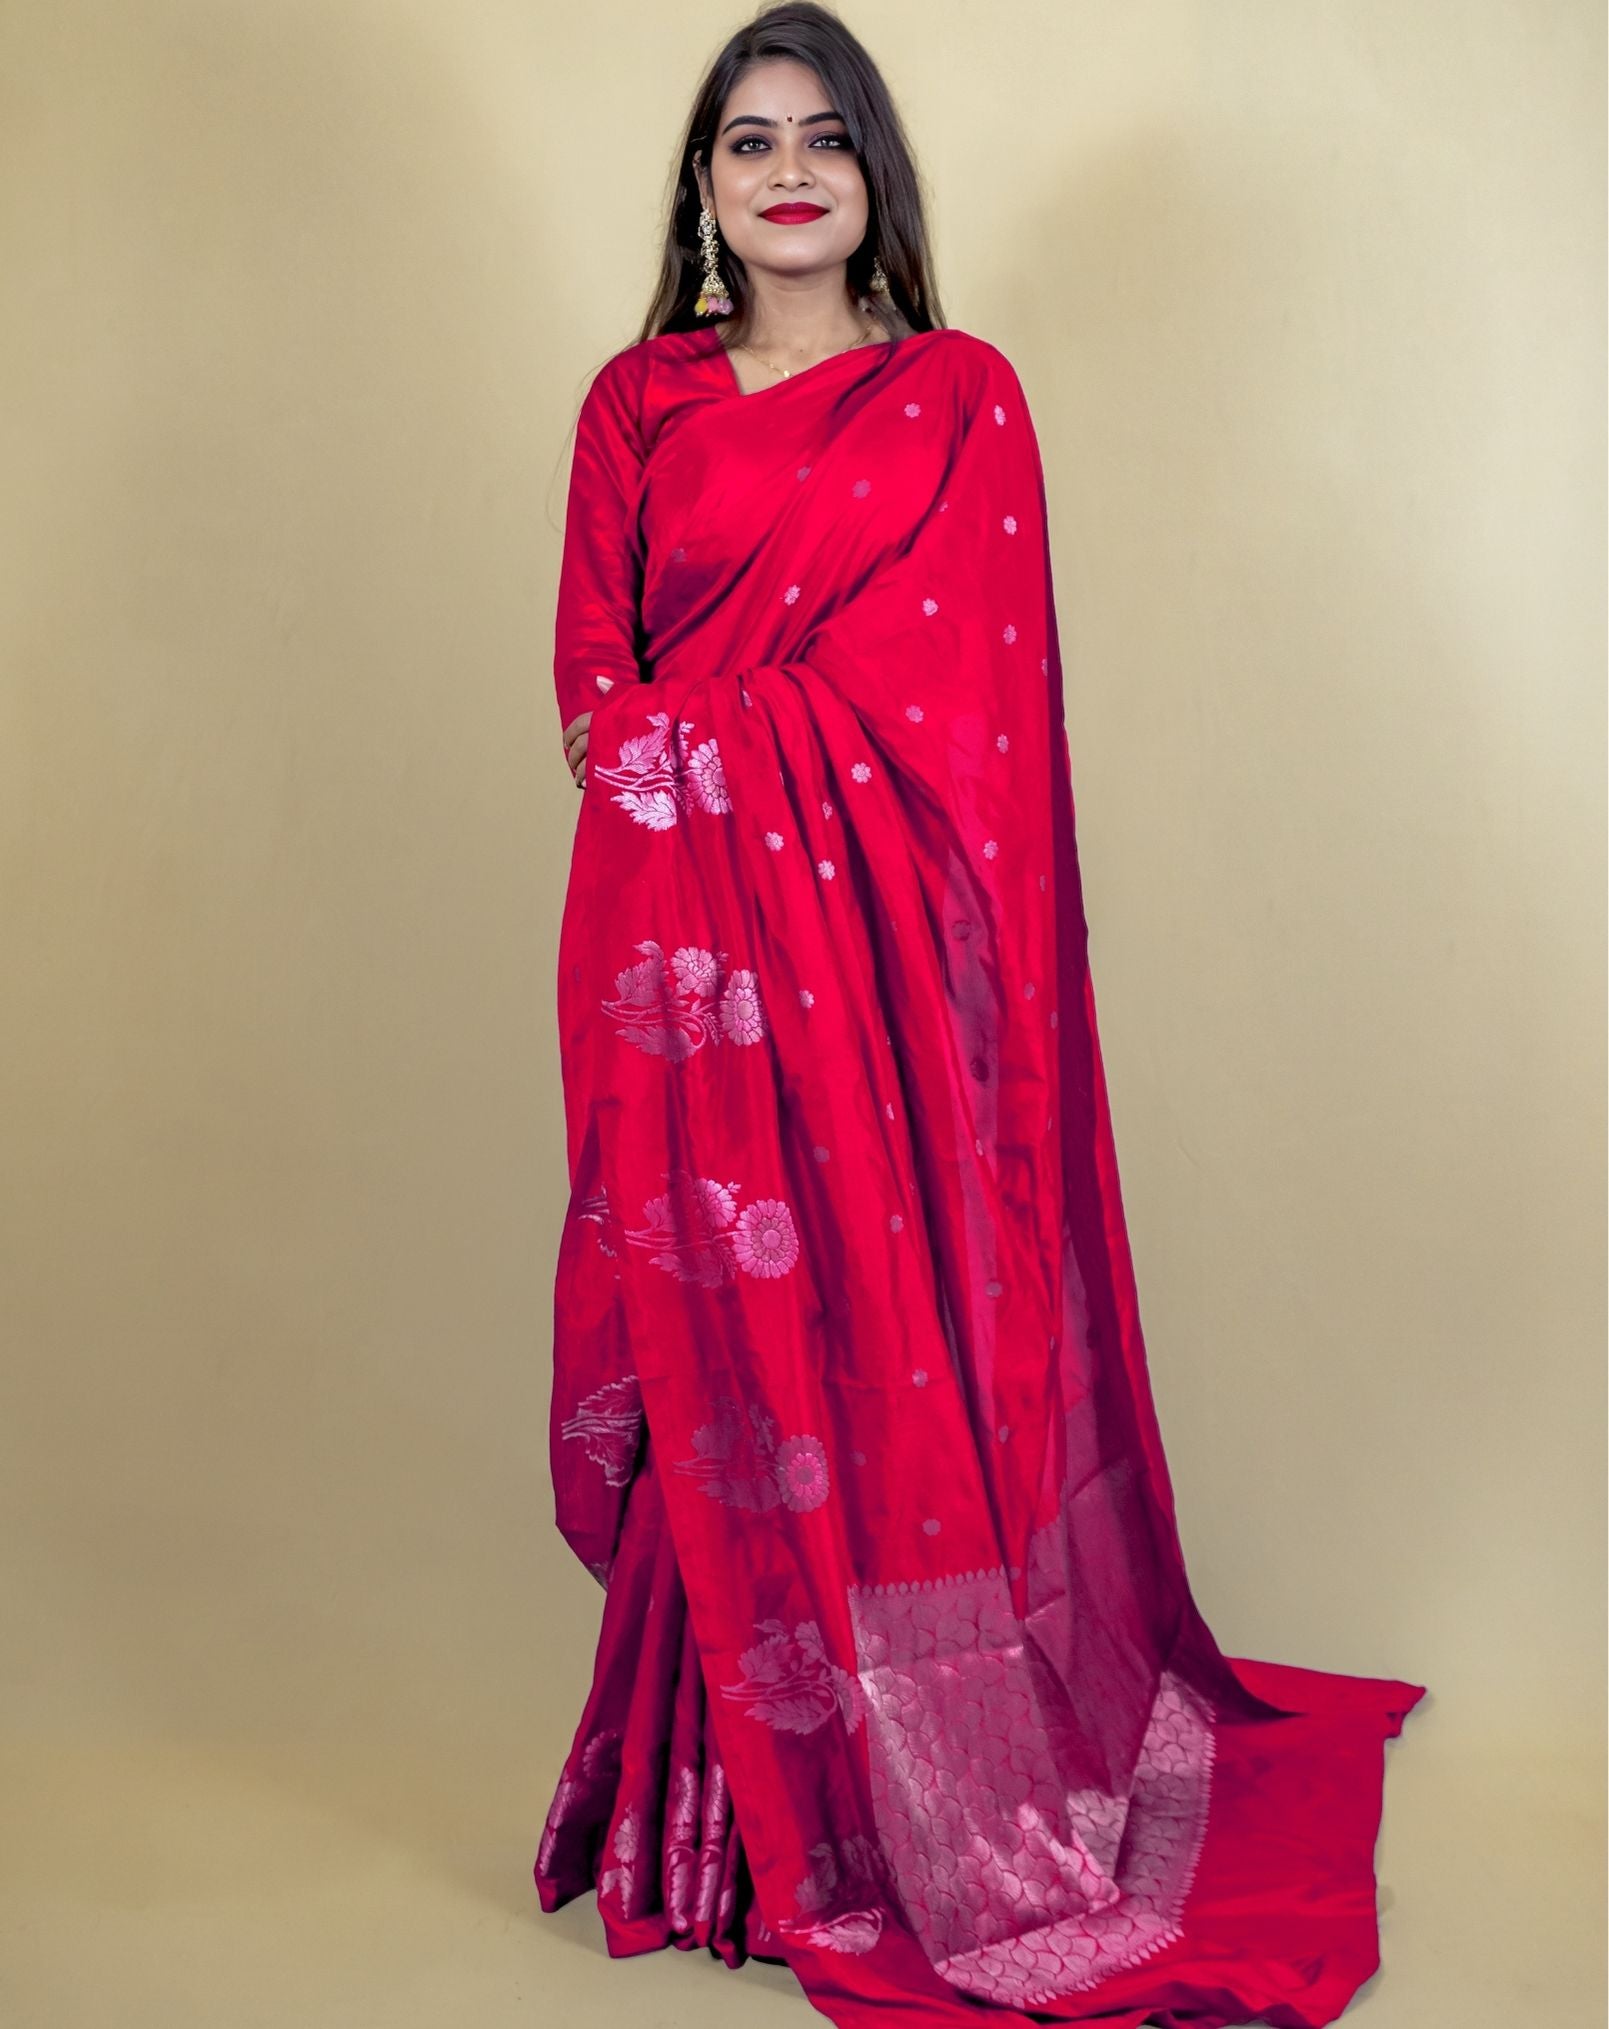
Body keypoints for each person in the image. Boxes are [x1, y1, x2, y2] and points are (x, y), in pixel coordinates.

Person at [533, 9, 1427, 2025]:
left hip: (877, 980)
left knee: (881, 1344)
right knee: (719, 1350)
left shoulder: (956, 398)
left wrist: (716, 747)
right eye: (748, 140)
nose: (788, 171)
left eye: (825, 138)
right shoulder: (636, 403)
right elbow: (594, 698)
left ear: (876, 179)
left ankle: (909, 1817)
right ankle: (725, 1824)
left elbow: (969, 731)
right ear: (701, 186)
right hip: (692, 973)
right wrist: (698, 755)